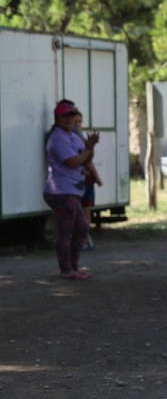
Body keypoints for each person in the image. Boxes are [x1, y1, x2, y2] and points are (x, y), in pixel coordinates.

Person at [44, 101, 99, 280]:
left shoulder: (73, 136)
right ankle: (67, 270)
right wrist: (88, 149)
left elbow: (87, 158)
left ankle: (72, 267)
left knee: (81, 229)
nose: (69, 119)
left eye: (71, 115)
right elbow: (73, 162)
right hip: (61, 191)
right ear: (57, 118)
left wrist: (90, 147)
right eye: (65, 116)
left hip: (71, 191)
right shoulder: (57, 138)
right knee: (67, 231)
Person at [71, 110, 102, 251]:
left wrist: (95, 176)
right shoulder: (66, 138)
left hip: (86, 177)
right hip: (74, 179)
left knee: (86, 210)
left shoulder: (82, 137)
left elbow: (88, 160)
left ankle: (85, 237)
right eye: (75, 121)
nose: (77, 124)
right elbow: (84, 160)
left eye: (79, 121)